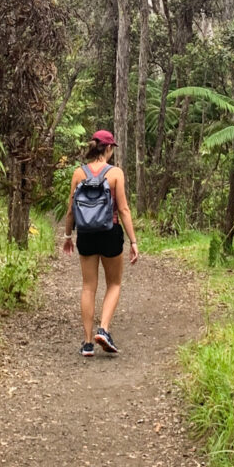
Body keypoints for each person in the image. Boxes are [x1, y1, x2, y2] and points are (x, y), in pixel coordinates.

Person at [62, 130, 139, 356]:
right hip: (110, 231)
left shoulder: (78, 173)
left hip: (85, 233)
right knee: (114, 284)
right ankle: (103, 329)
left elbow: (70, 211)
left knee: (88, 286)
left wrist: (68, 237)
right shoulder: (115, 173)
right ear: (108, 148)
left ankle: (87, 344)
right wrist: (133, 241)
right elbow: (123, 210)